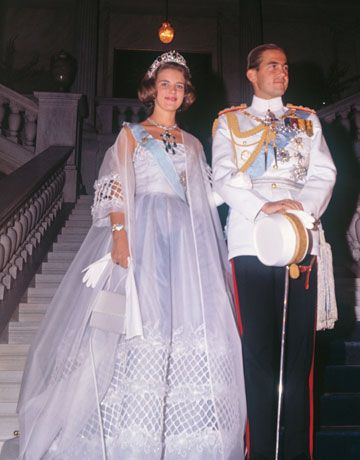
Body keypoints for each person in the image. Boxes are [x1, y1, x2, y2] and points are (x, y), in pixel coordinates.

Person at [1, 51, 246, 460]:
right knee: (140, 323)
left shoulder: (192, 143)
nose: (172, 92)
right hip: (142, 230)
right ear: (152, 90)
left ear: (187, 95)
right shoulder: (131, 134)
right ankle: (131, 433)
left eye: (179, 86)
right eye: (165, 84)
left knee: (178, 324)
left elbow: (204, 199)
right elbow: (116, 187)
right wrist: (120, 236)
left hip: (184, 240)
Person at [212, 44, 337, 460]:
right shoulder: (230, 122)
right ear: (252, 74)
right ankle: (260, 452)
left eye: (285, 65)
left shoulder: (306, 121)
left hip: (300, 239)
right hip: (251, 242)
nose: (281, 72)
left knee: (299, 361)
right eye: (272, 65)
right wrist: (262, 206)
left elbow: (324, 173)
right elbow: (226, 178)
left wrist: (302, 209)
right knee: (258, 356)